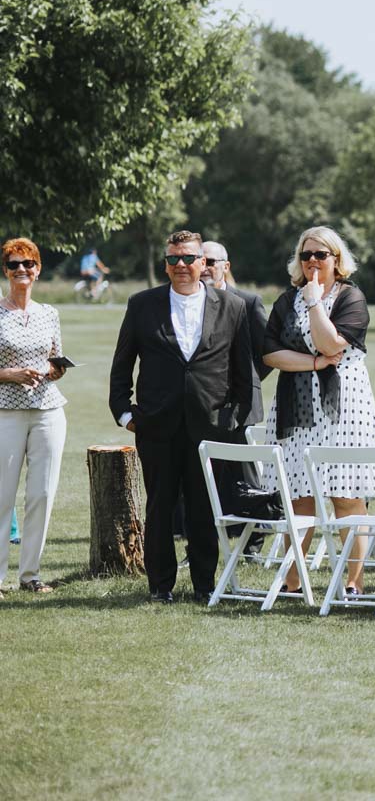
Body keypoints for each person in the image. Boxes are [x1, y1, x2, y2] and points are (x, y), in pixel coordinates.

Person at [109, 230, 255, 603]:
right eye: (173, 259)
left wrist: (234, 419)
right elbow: (123, 363)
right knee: (159, 507)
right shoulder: (143, 304)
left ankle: (205, 585)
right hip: (157, 424)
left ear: (203, 263)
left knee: (204, 507)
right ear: (166, 264)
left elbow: (243, 372)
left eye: (189, 258)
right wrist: (125, 413)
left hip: (211, 426)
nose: (181, 266)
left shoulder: (232, 307)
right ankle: (160, 587)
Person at [261, 226, 375, 597]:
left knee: (346, 495)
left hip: (345, 407)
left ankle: (353, 582)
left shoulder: (352, 298)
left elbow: (331, 341)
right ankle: (293, 579)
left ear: (336, 259)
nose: (313, 261)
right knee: (299, 496)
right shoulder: (286, 300)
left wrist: (315, 302)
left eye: (321, 255)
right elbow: (269, 353)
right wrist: (315, 363)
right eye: (306, 255)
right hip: (296, 405)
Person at [0, 239, 68, 595]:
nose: (21, 270)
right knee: (2, 497)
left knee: (41, 494)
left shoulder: (49, 313)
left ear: (38, 269)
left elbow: (56, 357)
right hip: (5, 412)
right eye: (14, 265)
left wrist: (56, 371)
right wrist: (9, 374)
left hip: (48, 411)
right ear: (6, 271)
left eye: (28, 264)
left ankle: (30, 576)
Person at [201, 241, 270, 425]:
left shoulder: (249, 302)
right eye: (199, 261)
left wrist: (246, 378)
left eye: (210, 262)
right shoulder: (189, 303)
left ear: (226, 266)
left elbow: (268, 352)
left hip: (241, 406)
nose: (203, 268)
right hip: (200, 403)